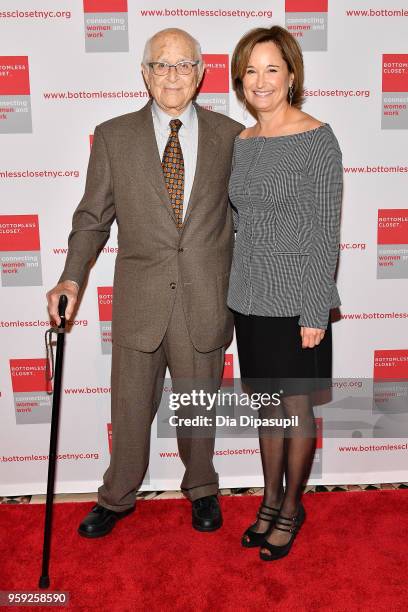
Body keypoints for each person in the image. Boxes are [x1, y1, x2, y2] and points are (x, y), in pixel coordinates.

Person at [47, 28, 243, 537]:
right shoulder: (114, 136)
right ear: (145, 73)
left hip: (206, 295)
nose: (173, 75)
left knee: (198, 407)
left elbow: (250, 221)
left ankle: (201, 487)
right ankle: (116, 496)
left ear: (201, 73)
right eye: (161, 65)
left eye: (184, 64)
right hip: (140, 299)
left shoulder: (232, 135)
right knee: (130, 406)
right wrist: (70, 278)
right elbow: (92, 218)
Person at [228, 25, 343, 561]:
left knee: (295, 410)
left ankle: (292, 509)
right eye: (251, 70)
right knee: (268, 411)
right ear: (239, 80)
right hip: (249, 299)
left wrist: (314, 310)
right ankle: (270, 501)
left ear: (291, 74)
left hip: (299, 303)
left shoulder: (317, 137)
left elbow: (325, 231)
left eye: (271, 68)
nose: (261, 80)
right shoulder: (243, 141)